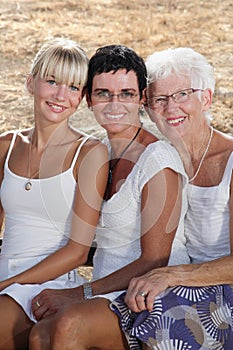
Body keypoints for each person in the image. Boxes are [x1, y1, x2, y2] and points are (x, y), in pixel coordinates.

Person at [28, 45, 190, 350]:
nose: (114, 104)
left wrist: (80, 293)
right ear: (89, 98)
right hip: (102, 291)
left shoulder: (158, 160)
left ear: (142, 98)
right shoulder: (96, 152)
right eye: (103, 93)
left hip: (150, 295)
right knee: (39, 335)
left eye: (126, 94)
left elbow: (155, 259)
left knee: (69, 326)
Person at [110, 47, 233, 349]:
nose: (170, 108)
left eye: (181, 95)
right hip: (177, 287)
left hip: (223, 291)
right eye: (159, 99)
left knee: (162, 319)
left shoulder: (229, 159)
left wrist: (169, 275)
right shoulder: (159, 159)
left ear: (206, 98)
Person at [0, 37, 109, 350]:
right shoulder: (6, 146)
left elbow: (77, 251)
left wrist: (7, 285)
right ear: (31, 83)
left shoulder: (89, 153)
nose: (62, 96)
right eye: (52, 81)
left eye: (74, 87)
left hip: (47, 285)